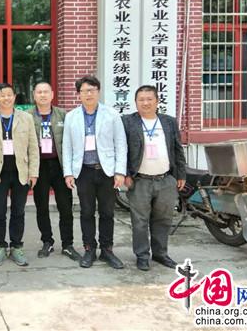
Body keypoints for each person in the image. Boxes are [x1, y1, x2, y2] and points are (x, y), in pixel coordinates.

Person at [62, 75, 127, 269]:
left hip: (107, 171)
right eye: (84, 91)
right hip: (84, 171)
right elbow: (67, 147)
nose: (88, 94)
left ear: (98, 92)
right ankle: (89, 248)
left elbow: (120, 144)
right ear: (79, 94)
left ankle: (107, 250)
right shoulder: (71, 116)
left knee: (107, 212)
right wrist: (68, 173)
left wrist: (120, 171)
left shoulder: (111, 114)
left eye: (92, 90)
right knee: (87, 212)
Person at [122, 85, 187, 271]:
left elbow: (177, 149)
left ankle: (160, 253)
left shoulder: (168, 122)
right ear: (135, 102)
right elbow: (121, 149)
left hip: (166, 180)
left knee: (163, 219)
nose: (145, 103)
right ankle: (142, 255)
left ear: (157, 101)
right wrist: (126, 174)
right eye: (141, 99)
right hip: (139, 181)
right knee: (140, 221)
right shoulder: (128, 122)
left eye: (149, 99)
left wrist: (180, 174)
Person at [0, 83, 39, 267]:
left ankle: (16, 246)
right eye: (2, 95)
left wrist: (33, 173)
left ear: (14, 97)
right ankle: (0, 246)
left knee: (18, 211)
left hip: (21, 171)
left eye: (9, 95)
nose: (6, 98)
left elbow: (33, 147)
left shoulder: (26, 118)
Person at [27, 82, 78, 261]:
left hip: (60, 165)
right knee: (41, 206)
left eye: (46, 92)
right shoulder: (27, 116)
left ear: (52, 94)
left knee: (65, 207)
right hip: (38, 167)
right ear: (34, 95)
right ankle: (47, 241)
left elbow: (72, 141)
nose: (42, 95)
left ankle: (67, 244)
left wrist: (71, 169)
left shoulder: (63, 115)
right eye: (39, 92)